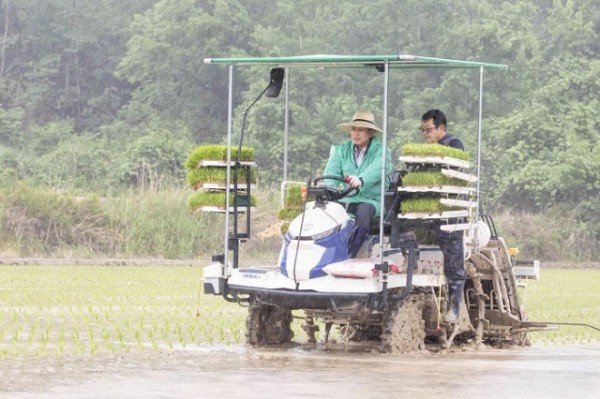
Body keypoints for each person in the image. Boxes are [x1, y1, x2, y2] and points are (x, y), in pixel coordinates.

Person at [322, 110, 392, 258]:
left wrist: (361, 179)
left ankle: (350, 253)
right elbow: (332, 173)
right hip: (348, 199)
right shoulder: (341, 151)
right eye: (354, 129)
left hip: (373, 201)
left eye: (361, 130)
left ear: (370, 132)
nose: (356, 133)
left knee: (364, 211)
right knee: (326, 208)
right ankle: (325, 250)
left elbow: (378, 168)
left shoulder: (382, 151)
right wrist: (329, 189)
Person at [420, 109, 466, 324]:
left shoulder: (454, 144)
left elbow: (452, 175)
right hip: (429, 209)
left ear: (441, 128)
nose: (426, 134)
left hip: (451, 211)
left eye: (429, 130)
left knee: (453, 259)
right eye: (423, 130)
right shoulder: (425, 151)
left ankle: (454, 308)